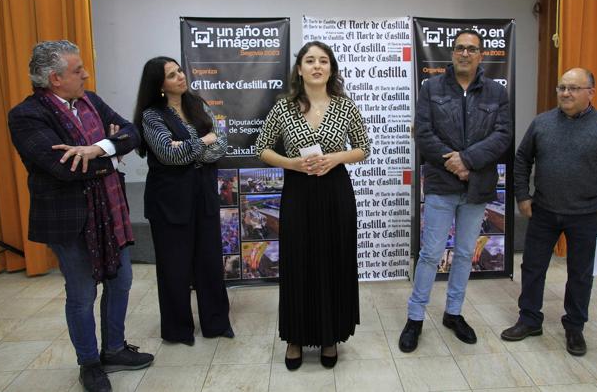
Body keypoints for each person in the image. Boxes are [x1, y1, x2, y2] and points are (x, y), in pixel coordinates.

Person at [8, 40, 154, 392]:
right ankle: (89, 363)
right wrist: (114, 157)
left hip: (110, 211)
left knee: (121, 282)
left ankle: (115, 349)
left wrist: (97, 149)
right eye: (77, 70)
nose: (85, 74)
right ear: (55, 78)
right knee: (81, 293)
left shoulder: (91, 101)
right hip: (70, 220)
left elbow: (131, 132)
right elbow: (65, 168)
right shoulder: (26, 115)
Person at [255, 41, 371, 370]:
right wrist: (291, 164)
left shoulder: (345, 107)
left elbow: (364, 147)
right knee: (297, 260)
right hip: (298, 192)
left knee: (334, 260)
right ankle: (295, 336)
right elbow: (262, 148)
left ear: (331, 68)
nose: (317, 66)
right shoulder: (283, 107)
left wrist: (336, 158)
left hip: (335, 193)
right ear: (300, 69)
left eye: (323, 61)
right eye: (310, 60)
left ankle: (329, 335)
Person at [501, 68, 597, 356]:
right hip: (544, 210)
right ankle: (530, 319)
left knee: (580, 273)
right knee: (533, 267)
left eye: (574, 88)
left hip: (587, 213)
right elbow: (522, 159)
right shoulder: (542, 123)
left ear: (590, 93)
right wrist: (523, 195)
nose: (566, 93)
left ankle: (574, 326)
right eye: (562, 88)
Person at [399, 29, 512, 352]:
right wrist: (453, 162)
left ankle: (454, 313)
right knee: (431, 254)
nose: (465, 53)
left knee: (464, 253)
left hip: (478, 185)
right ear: (452, 53)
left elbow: (503, 134)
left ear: (481, 55)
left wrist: (468, 159)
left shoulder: (495, 92)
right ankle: (415, 317)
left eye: (472, 49)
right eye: (460, 48)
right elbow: (423, 131)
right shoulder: (431, 88)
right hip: (442, 183)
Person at [133, 56, 233, 346]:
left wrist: (189, 148)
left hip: (203, 194)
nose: (180, 76)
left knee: (210, 262)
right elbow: (168, 154)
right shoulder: (152, 115)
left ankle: (216, 323)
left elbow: (222, 144)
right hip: (170, 200)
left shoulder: (197, 104)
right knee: (174, 267)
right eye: (172, 74)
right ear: (159, 85)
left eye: (179, 70)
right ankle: (178, 330)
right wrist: (203, 141)